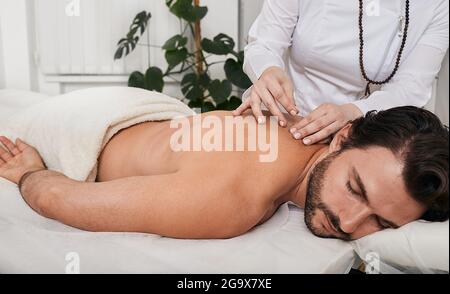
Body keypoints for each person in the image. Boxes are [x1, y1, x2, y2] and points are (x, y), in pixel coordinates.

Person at [0, 106, 448, 240]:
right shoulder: (228, 203)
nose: (349, 223)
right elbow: (61, 200)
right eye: (354, 189)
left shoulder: (297, 128)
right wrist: (30, 173)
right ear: (342, 136)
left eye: (380, 224)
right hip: (90, 123)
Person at [234, 0, 449, 146]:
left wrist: (354, 111)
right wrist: (268, 70)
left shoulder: (437, 6)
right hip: (282, 118)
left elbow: (410, 89)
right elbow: (264, 44)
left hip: (359, 136)